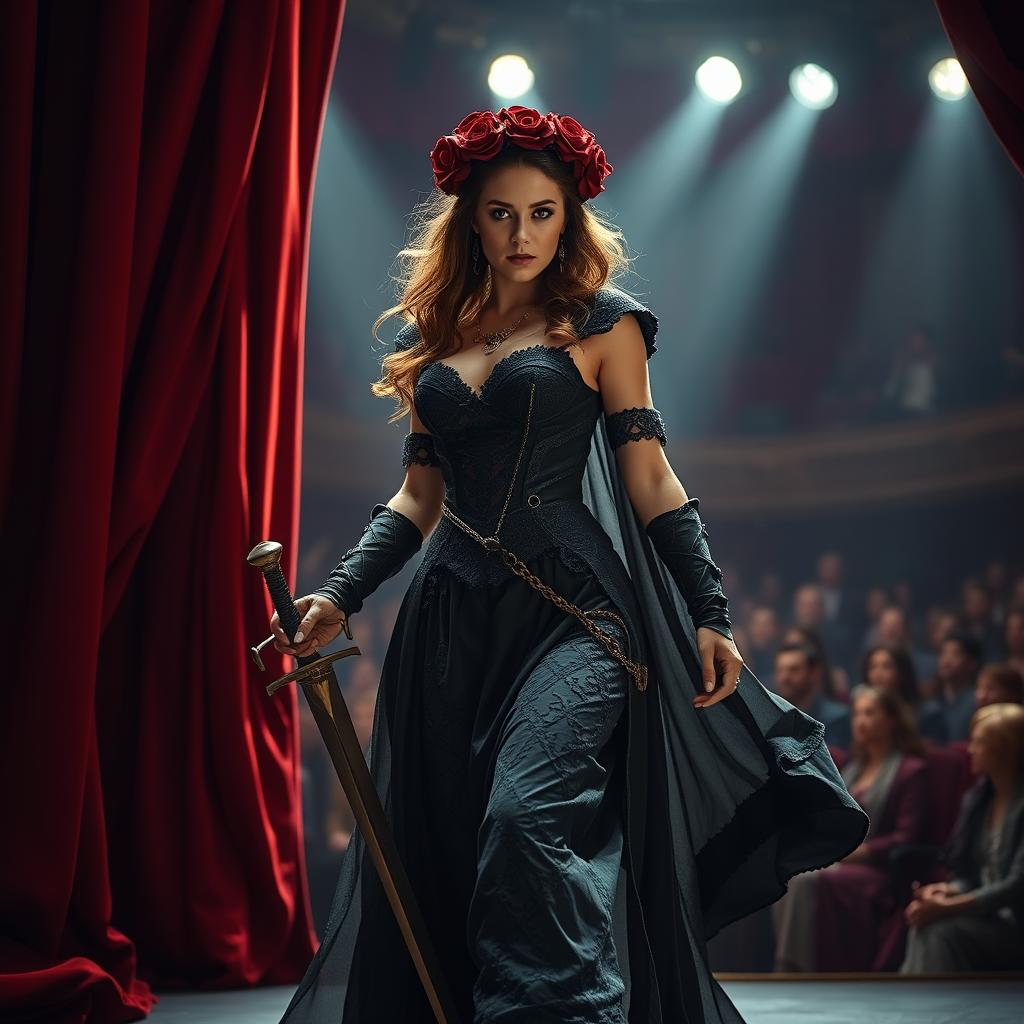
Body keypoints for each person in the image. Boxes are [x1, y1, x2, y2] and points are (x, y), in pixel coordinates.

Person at [269, 106, 868, 1024]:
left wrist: (710, 609)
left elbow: (653, 476)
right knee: (453, 843)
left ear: (570, 215)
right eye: (502, 213)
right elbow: (418, 498)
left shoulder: (603, 324)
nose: (522, 234)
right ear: (471, 216)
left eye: (543, 213)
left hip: (579, 616)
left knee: (525, 816)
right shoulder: (434, 336)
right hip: (449, 625)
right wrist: (340, 594)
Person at [773, 685, 929, 971]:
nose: (860, 721)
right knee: (790, 870)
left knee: (805, 880)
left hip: (879, 871)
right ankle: (794, 963)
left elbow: (907, 837)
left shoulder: (911, 770)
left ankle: (796, 968)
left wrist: (857, 852)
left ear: (892, 720)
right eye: (857, 713)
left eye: (870, 713)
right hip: (843, 859)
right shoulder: (852, 768)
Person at [900, 703, 1024, 971]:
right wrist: (948, 891)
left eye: (980, 742)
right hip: (988, 916)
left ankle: (931, 1005)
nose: (970, 750)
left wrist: (950, 907)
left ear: (1006, 750)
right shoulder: (980, 800)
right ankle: (922, 1004)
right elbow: (973, 875)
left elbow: (1016, 886)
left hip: (1016, 923)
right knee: (926, 922)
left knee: (940, 930)